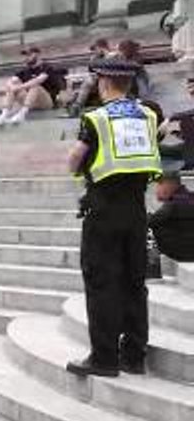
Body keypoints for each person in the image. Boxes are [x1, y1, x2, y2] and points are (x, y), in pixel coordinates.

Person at [66, 57, 161, 376]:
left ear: (104, 82)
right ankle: (134, 355)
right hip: (137, 209)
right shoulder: (148, 114)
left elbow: (75, 159)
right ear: (130, 83)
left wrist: (77, 167)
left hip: (104, 210)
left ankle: (104, 358)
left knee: (102, 282)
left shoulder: (97, 117)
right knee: (135, 282)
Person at [0, 46, 64, 126]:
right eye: (25, 55)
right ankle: (4, 115)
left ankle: (22, 114)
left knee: (35, 86)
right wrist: (12, 86)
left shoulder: (47, 67)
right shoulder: (25, 71)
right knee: (12, 86)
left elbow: (38, 80)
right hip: (31, 101)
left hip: (47, 102)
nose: (26, 57)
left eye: (29, 55)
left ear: (37, 54)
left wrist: (19, 87)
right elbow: (10, 81)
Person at [151, 169, 194, 262]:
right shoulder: (187, 196)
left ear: (169, 185)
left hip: (183, 253)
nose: (156, 189)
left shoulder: (175, 203)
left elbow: (153, 220)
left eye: (159, 184)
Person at [67, 39, 112, 117]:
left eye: (96, 49)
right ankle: (76, 105)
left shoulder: (112, 55)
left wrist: (106, 55)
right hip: (97, 80)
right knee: (87, 81)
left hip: (112, 79)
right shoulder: (94, 58)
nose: (94, 52)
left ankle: (77, 106)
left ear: (102, 48)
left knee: (88, 82)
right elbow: (91, 71)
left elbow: (112, 68)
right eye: (94, 50)